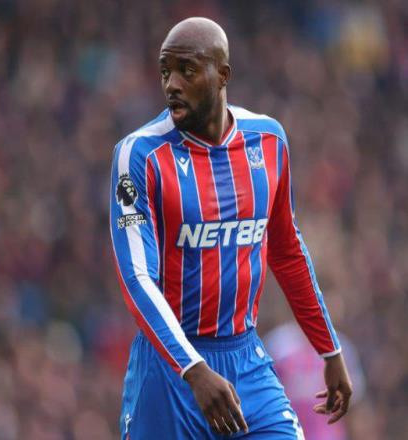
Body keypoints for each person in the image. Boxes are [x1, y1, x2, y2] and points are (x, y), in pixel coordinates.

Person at [109, 17, 352, 439]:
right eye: (165, 71)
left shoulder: (269, 141)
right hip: (169, 371)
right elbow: (136, 277)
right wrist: (193, 369)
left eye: (187, 70)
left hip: (245, 359)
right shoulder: (140, 155)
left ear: (223, 75)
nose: (172, 85)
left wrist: (328, 348)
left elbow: (287, 252)